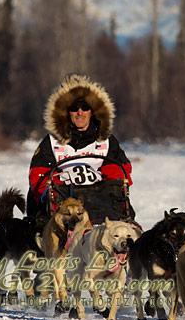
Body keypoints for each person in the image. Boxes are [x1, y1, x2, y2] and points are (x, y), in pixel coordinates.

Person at [27, 74, 135, 225]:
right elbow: (39, 174)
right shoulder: (52, 141)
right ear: (66, 112)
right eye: (74, 108)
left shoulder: (106, 140)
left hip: (101, 200)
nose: (80, 112)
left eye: (85, 107)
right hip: (63, 202)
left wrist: (108, 187)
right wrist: (58, 190)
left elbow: (120, 171)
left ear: (92, 111)